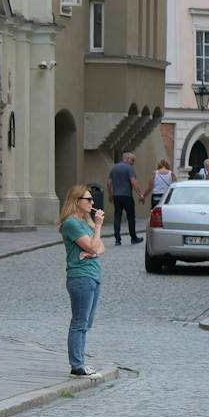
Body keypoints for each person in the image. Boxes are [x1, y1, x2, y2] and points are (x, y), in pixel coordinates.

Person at [59, 186, 105, 377]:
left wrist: (93, 249)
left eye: (93, 200)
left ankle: (79, 361)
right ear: (77, 201)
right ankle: (77, 365)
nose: (92, 203)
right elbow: (94, 246)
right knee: (79, 321)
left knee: (86, 322)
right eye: (89, 199)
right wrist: (99, 227)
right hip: (80, 277)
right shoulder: (71, 223)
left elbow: (100, 248)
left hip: (93, 276)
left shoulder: (85, 222)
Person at [107, 151, 140, 245]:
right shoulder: (129, 168)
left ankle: (117, 239)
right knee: (131, 217)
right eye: (132, 160)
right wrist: (140, 194)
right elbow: (133, 182)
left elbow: (108, 183)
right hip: (127, 196)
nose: (133, 162)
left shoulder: (113, 167)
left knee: (117, 216)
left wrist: (110, 194)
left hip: (116, 196)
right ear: (127, 159)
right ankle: (133, 238)